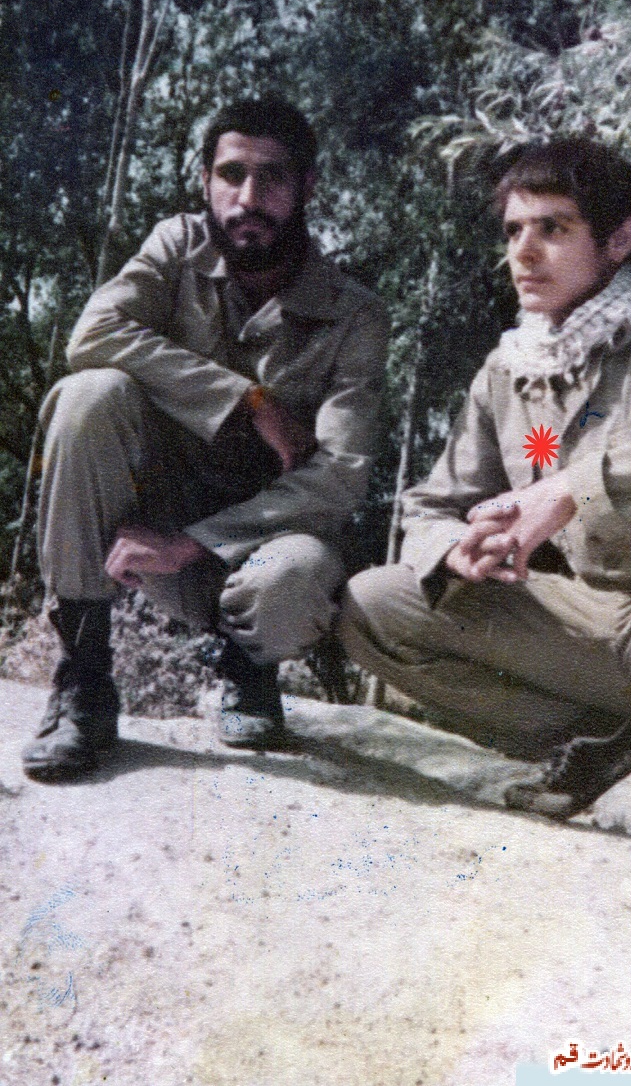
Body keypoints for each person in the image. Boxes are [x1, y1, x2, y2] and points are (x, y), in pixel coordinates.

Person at [339, 136, 631, 926]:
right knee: (377, 603)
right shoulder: (510, 369)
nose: (524, 251)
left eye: (553, 228)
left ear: (619, 240)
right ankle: (601, 738)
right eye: (513, 230)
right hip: (611, 635)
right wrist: (457, 548)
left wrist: (569, 488)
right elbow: (429, 505)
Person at [23, 95, 389, 781]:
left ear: (307, 187)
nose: (248, 198)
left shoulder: (355, 316)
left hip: (253, 550)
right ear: (205, 180)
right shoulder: (177, 247)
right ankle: (83, 683)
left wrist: (192, 542)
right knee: (88, 395)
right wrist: (246, 400)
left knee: (295, 576)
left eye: (272, 177)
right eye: (231, 174)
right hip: (153, 523)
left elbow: (342, 476)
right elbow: (91, 336)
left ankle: (248, 669)